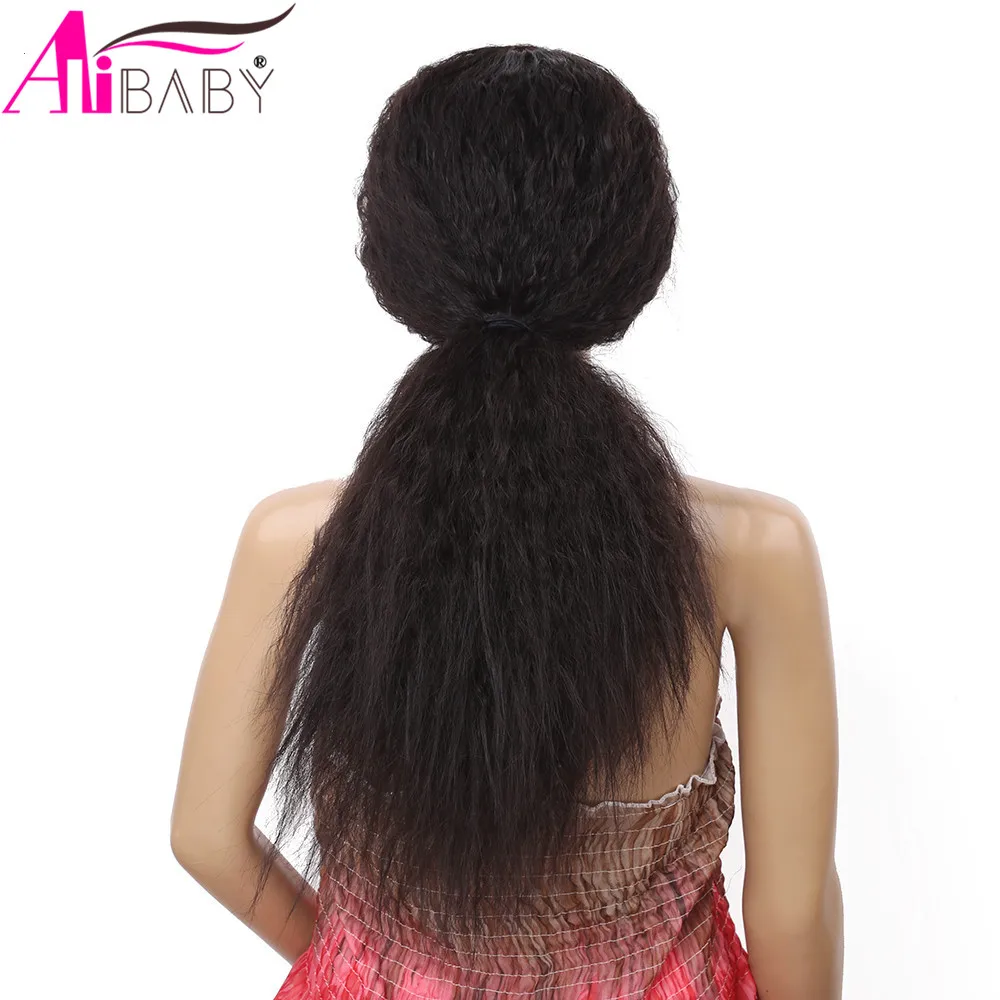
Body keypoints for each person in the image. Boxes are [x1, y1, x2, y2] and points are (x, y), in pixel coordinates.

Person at [170, 43, 843, 1000]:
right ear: (632, 255)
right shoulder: (751, 550)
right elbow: (791, 913)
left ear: (399, 251)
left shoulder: (294, 540)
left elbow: (205, 837)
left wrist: (378, 962)